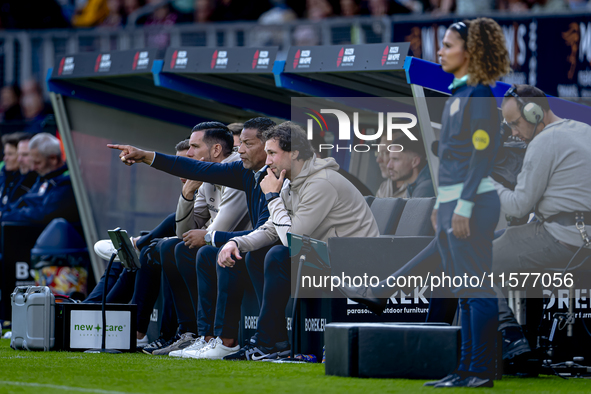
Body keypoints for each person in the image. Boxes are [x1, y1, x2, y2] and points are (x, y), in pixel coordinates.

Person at [107, 117, 275, 354]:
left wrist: (211, 238)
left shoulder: (270, 173)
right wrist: (147, 158)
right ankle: (199, 335)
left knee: (208, 251)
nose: (241, 150)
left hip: (272, 248)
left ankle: (231, 341)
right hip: (248, 243)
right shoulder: (243, 170)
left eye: (247, 144)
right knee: (169, 248)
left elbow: (272, 230)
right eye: (240, 145)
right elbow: (185, 227)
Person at [217, 121, 379, 361]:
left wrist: (271, 196)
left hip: (354, 262)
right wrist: (237, 243)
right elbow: (273, 228)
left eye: (272, 153)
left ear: (293, 153)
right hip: (328, 255)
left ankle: (266, 341)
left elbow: (292, 240)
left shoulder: (321, 183)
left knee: (278, 255)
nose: (267, 160)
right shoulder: (291, 181)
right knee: (257, 254)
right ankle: (276, 341)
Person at [145, 123, 253, 357]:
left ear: (215, 150)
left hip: (244, 245)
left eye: (194, 147)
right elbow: (183, 232)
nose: (190, 154)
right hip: (219, 243)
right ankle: (190, 333)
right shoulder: (206, 175)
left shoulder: (235, 171)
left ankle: (211, 336)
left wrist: (201, 235)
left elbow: (222, 228)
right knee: (170, 247)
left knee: (200, 252)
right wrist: (187, 193)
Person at [1, 133, 79, 224]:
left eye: (38, 163)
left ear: (53, 159)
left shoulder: (65, 182)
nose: (33, 168)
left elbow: (43, 214)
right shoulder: (43, 178)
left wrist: (5, 216)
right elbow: (23, 203)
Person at [375, 132, 408, 198]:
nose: (378, 160)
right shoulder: (383, 188)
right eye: (378, 153)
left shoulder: (418, 190)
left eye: (386, 153)